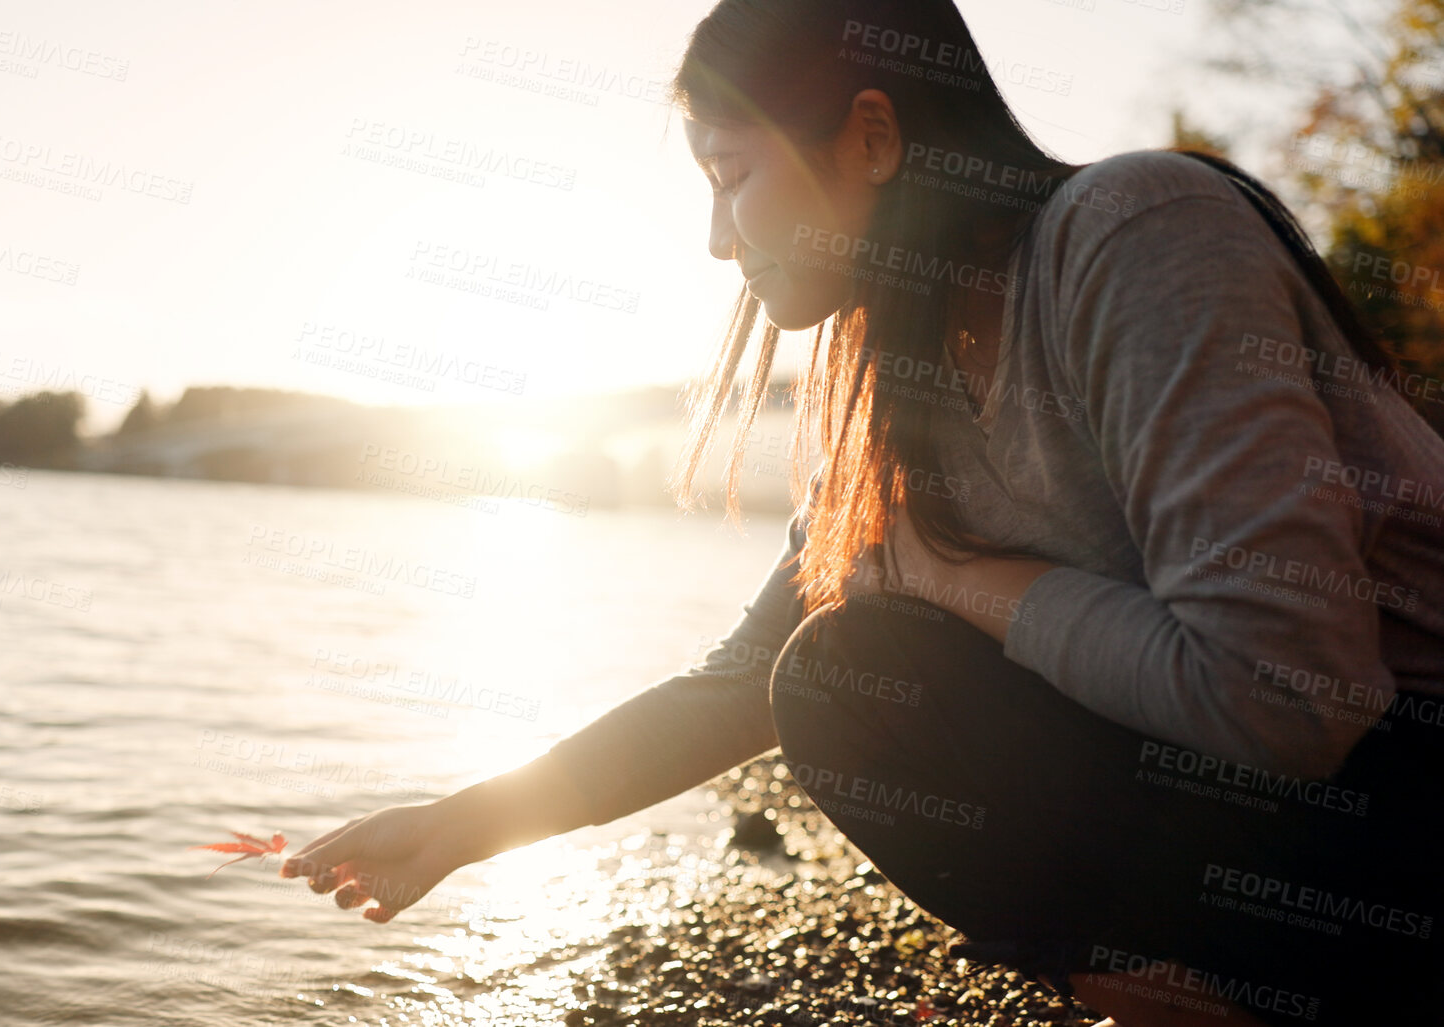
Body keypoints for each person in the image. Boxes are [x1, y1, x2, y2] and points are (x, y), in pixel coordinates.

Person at [281, 1, 1444, 1022]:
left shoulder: (1134, 232)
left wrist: (950, 573)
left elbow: (1291, 701)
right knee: (838, 679)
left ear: (875, 137)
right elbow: (745, 678)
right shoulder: (891, 375)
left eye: (732, 176)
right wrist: (465, 824)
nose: (716, 240)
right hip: (1272, 840)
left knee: (863, 657)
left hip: (1402, 809)